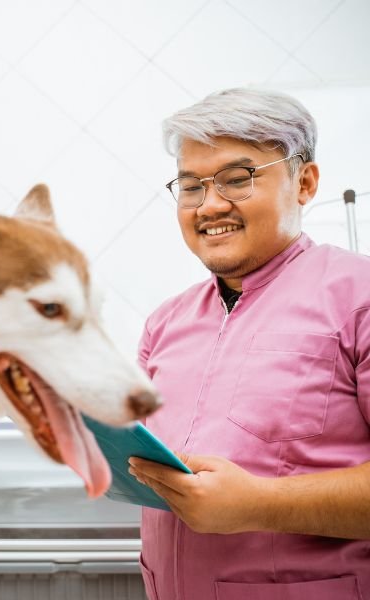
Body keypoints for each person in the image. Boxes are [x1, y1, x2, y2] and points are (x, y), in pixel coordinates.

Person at [128, 88, 370, 599]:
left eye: (238, 180)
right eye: (191, 187)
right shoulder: (165, 323)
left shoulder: (358, 299)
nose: (210, 205)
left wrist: (260, 503)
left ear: (304, 182)